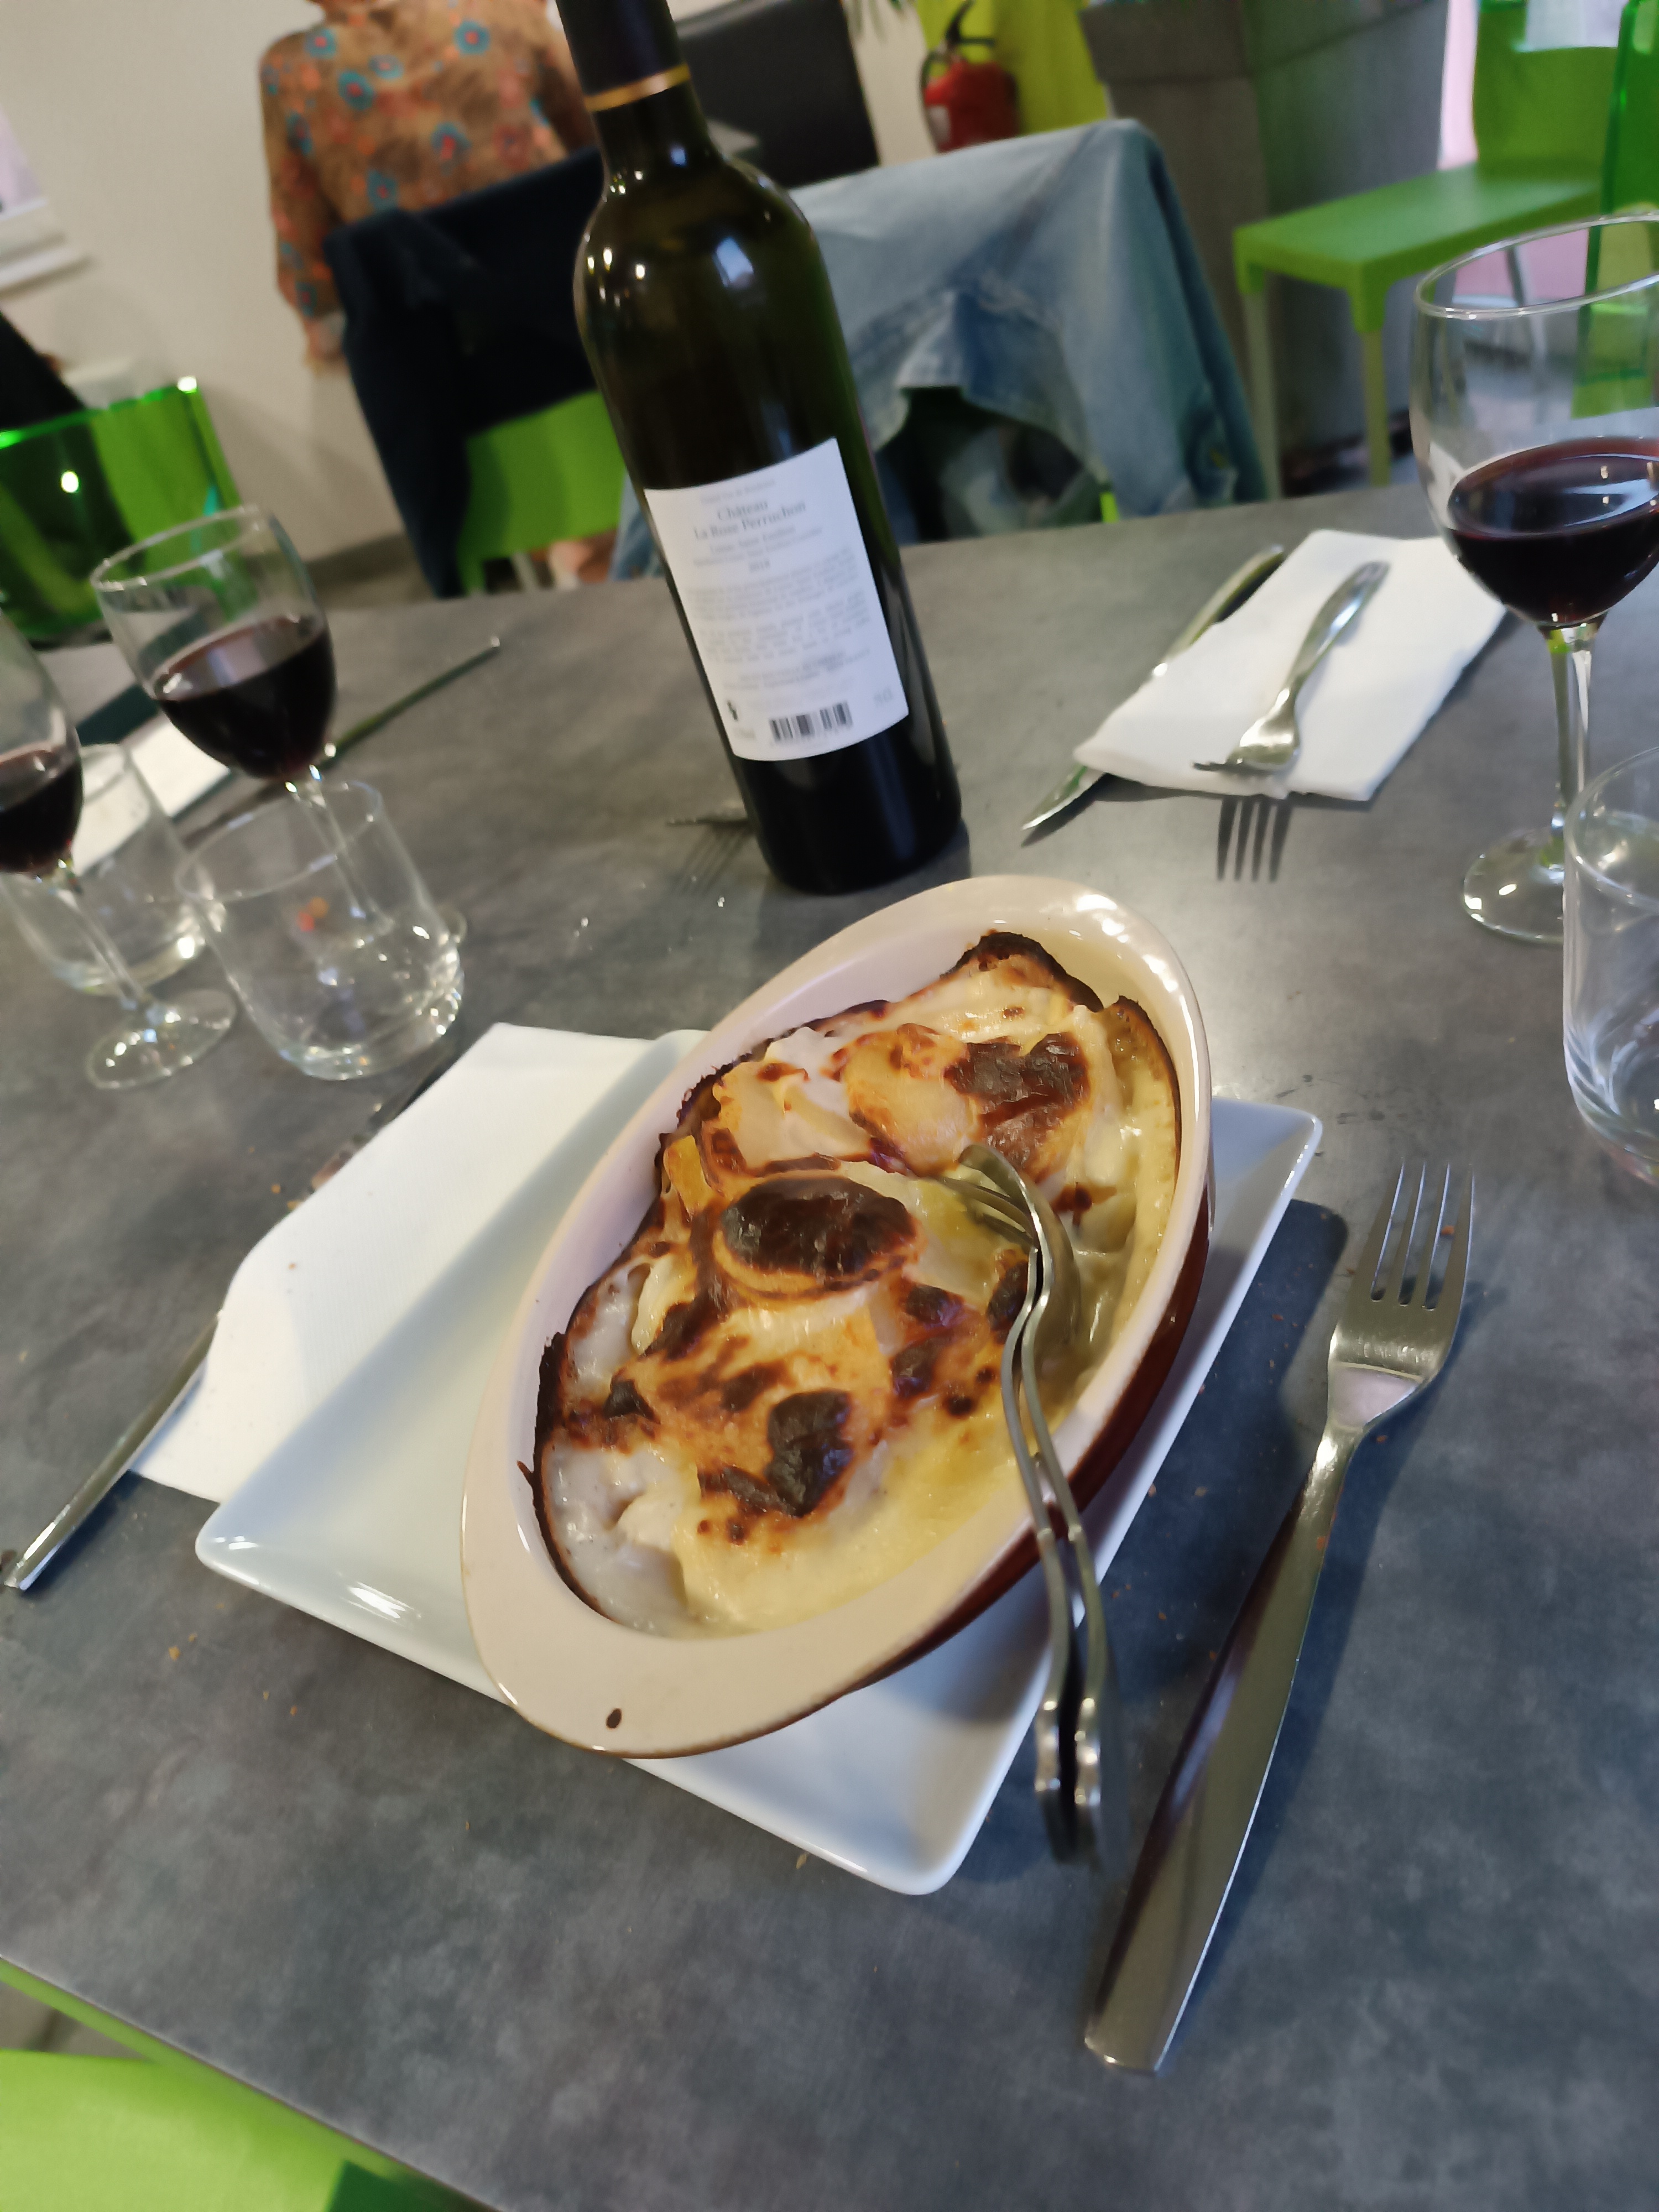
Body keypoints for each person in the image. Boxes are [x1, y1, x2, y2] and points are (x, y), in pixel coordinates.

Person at [260, 0, 594, 371]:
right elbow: (599, 131)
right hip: (584, 307)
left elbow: (303, 237)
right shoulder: (501, 9)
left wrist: (325, 332)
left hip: (443, 361)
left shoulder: (292, 73)